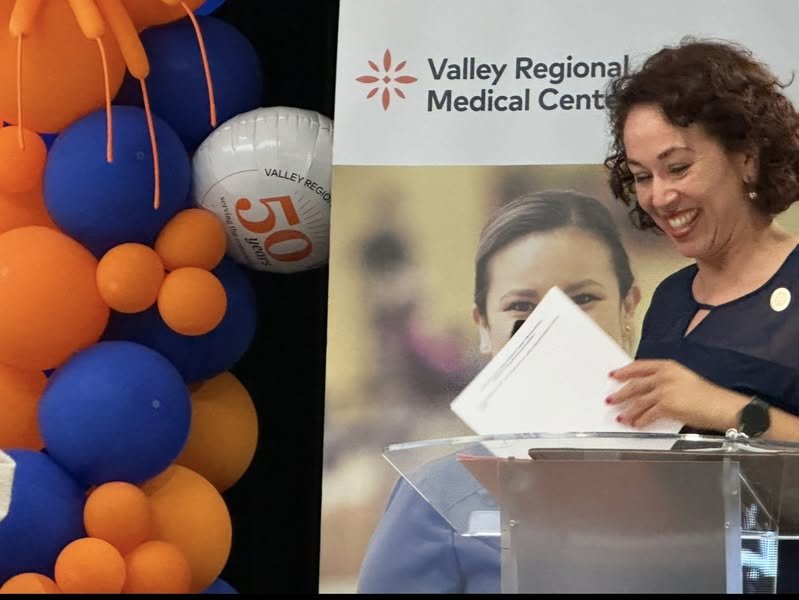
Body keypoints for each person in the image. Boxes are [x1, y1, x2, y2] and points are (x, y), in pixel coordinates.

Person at [356, 189, 642, 593]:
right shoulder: (437, 496)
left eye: (583, 298)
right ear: (484, 326)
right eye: (521, 306)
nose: (553, 324)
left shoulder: (698, 472)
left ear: (628, 307)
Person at [603, 37, 799, 591]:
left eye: (678, 168)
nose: (660, 197)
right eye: (643, 176)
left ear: (747, 157)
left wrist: (721, 408)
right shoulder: (669, 299)